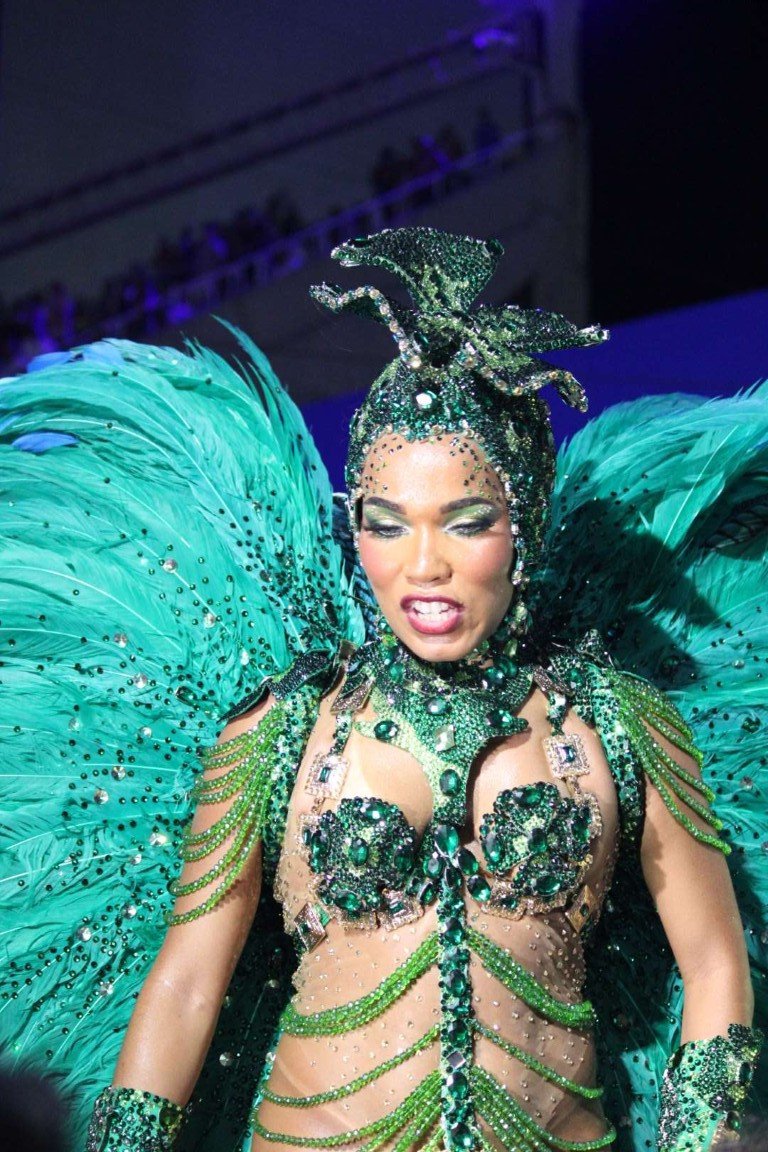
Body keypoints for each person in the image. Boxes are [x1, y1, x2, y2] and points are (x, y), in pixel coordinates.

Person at [0, 227, 765, 1152]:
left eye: (467, 522)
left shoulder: (617, 723)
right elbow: (189, 983)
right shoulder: (284, 729)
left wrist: (698, 1140)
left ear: (525, 527)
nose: (423, 565)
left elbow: (714, 964)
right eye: (387, 523)